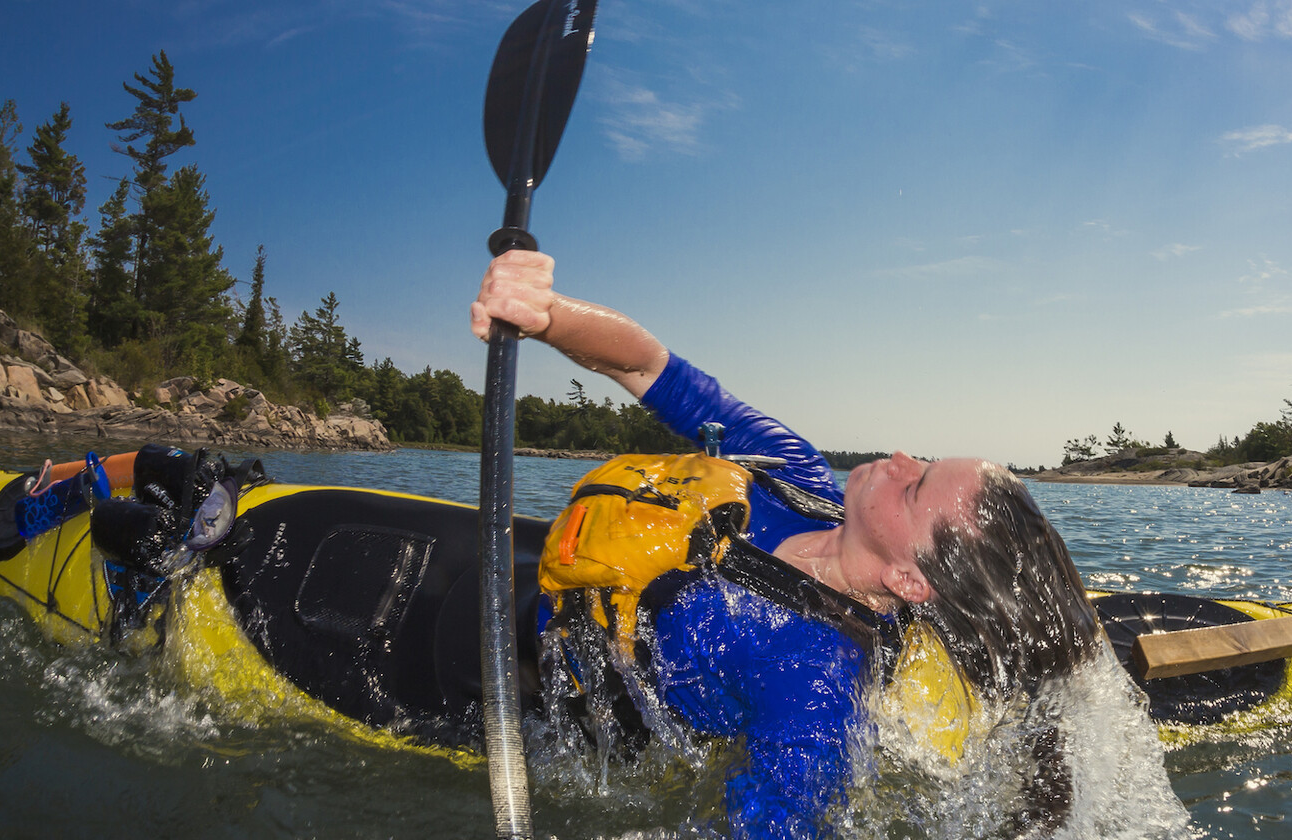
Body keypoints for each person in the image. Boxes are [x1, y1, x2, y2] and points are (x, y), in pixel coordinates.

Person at [471, 249, 1105, 839]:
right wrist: (546, 315)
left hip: (528, 704)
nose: (902, 458)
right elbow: (644, 365)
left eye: (916, 488)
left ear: (910, 582)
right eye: (925, 459)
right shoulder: (794, 469)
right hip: (540, 591)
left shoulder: (816, 685)